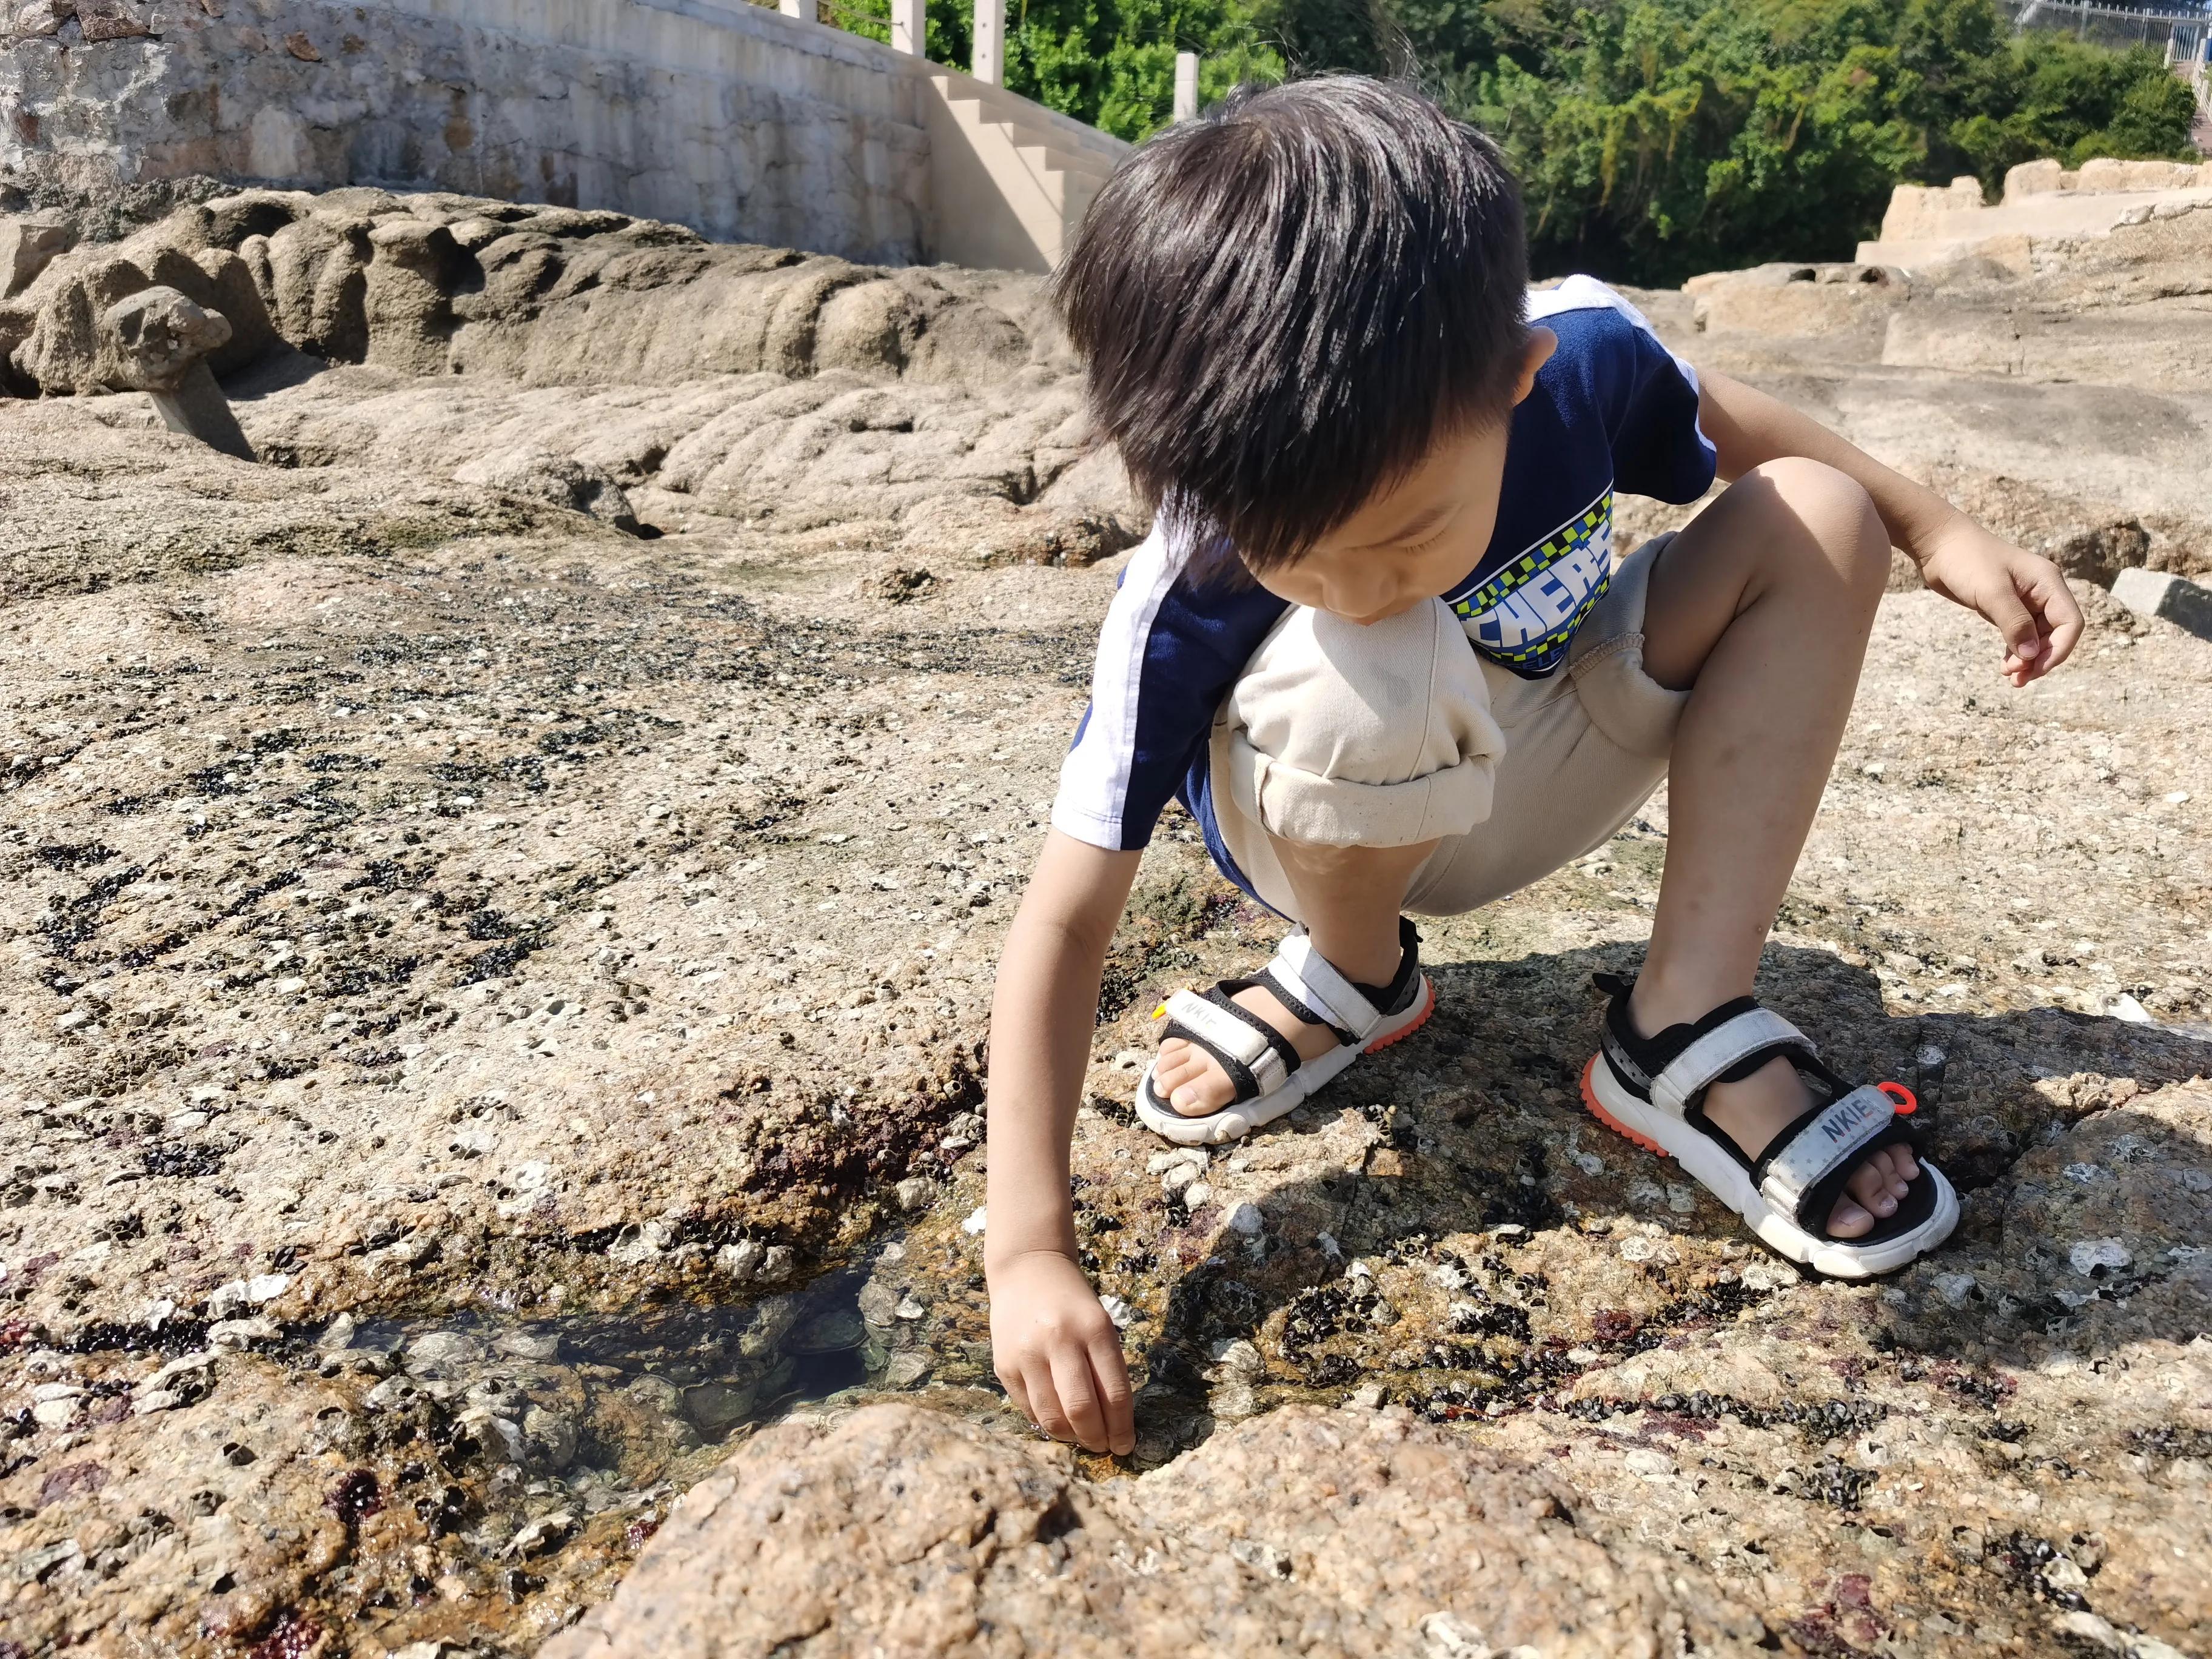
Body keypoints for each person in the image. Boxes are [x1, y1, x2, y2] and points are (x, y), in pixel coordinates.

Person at [983, 76, 2082, 1457]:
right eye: (1297, 555)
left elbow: (1740, 423)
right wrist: (1027, 1247)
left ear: (1515, 380)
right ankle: (1352, 974)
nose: (1353, 580)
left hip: (1549, 748)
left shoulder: (1576, 356)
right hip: (1329, 823)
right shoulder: (1196, 560)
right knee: (1358, 665)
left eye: (1399, 532)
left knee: (1819, 516)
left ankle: (1683, 1021)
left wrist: (1934, 529)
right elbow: (1066, 917)